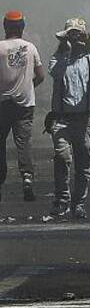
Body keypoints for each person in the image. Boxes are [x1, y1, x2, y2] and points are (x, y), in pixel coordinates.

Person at [48, 18, 90, 219]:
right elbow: (54, 72)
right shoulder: (58, 58)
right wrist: (66, 50)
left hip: (84, 118)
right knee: (62, 158)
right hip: (62, 118)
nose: (74, 39)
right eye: (70, 34)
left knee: (83, 163)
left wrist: (89, 46)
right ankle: (62, 200)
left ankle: (78, 203)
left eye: (77, 34)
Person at [0, 11, 44, 203]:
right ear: (22, 27)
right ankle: (27, 177)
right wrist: (27, 87)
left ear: (5, 26)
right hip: (25, 104)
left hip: (2, 103)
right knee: (24, 143)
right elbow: (41, 75)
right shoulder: (30, 47)